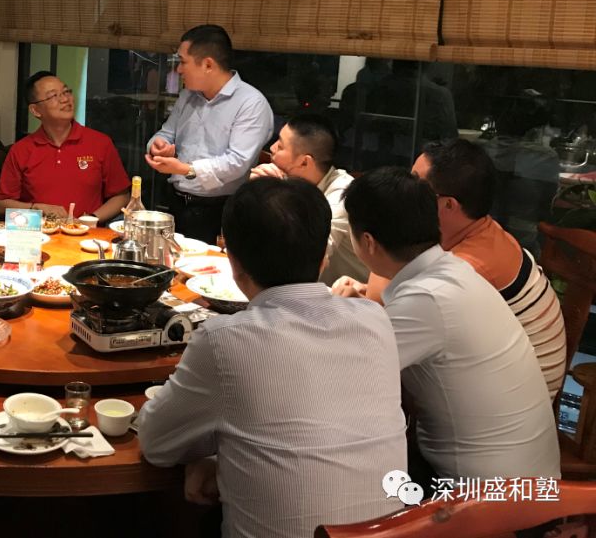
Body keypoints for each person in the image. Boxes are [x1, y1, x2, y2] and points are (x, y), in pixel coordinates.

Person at [137, 178, 407, 538]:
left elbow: (155, 443)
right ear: (323, 259)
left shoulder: (225, 341)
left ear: (233, 262)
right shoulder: (375, 321)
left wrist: (211, 459)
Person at [343, 167, 559, 479]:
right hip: (522, 474)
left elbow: (347, 374)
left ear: (368, 241)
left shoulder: (426, 300)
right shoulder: (451, 272)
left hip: (485, 493)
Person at [333, 139, 568, 401]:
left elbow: (382, 310)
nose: (405, 191)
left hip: (518, 395)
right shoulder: (477, 232)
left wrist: (385, 228)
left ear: (448, 205)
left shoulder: (468, 266)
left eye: (417, 186)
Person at [146, 25, 273, 243]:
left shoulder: (250, 103)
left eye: (183, 62)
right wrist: (159, 146)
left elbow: (238, 162)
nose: (179, 69)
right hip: (176, 202)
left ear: (207, 64)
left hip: (220, 209)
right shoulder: (188, 96)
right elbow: (166, 133)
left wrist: (185, 169)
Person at [0, 72, 130, 222]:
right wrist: (36, 209)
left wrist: (91, 219)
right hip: (38, 232)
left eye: (66, 92)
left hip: (86, 233)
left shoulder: (100, 143)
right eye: (53, 96)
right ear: (35, 110)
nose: (65, 99)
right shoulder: (21, 150)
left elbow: (122, 196)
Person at [249, 114, 365, 285]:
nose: (272, 148)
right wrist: (256, 195)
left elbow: (307, 258)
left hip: (348, 297)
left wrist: (270, 197)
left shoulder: (342, 195)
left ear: (304, 162)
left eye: (280, 146)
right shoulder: (294, 184)